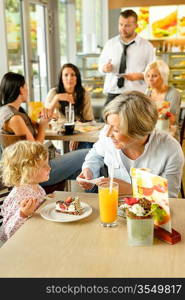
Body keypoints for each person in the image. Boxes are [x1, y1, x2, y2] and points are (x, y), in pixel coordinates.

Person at [77, 91, 184, 198]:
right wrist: (89, 169)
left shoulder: (171, 150)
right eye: (108, 125)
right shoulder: (107, 136)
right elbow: (96, 154)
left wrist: (131, 189)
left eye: (116, 130)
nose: (108, 134)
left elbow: (170, 196)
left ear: (138, 131)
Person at [0, 72, 89, 189]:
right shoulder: (14, 118)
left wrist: (42, 121)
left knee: (86, 170)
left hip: (31, 169)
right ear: (21, 89)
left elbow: (31, 134)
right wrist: (42, 125)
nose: (28, 90)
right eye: (26, 86)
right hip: (33, 173)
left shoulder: (8, 111)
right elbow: (35, 149)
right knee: (89, 154)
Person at [98, 9, 155, 106]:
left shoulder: (147, 46)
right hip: (113, 92)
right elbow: (100, 66)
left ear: (136, 26)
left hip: (136, 95)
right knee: (107, 120)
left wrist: (139, 76)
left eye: (127, 26)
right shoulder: (110, 44)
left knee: (133, 121)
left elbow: (153, 72)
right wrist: (105, 68)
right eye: (121, 24)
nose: (123, 29)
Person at [0, 141, 50, 242]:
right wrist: (22, 214)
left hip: (38, 233)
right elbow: (7, 234)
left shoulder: (36, 187)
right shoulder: (20, 195)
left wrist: (46, 200)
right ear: (27, 171)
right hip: (22, 244)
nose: (49, 168)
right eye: (44, 165)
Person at [45, 63, 95, 151]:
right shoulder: (53, 93)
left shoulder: (83, 94)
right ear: (61, 78)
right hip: (60, 135)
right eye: (66, 75)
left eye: (73, 75)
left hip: (80, 134)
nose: (69, 78)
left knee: (92, 146)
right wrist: (57, 98)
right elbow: (46, 118)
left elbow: (89, 120)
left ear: (77, 78)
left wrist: (76, 135)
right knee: (87, 149)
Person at [144, 59, 181, 140]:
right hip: (151, 132)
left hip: (169, 135)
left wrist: (161, 112)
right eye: (148, 75)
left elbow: (172, 121)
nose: (150, 79)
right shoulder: (148, 92)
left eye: (154, 76)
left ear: (163, 76)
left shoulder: (173, 94)